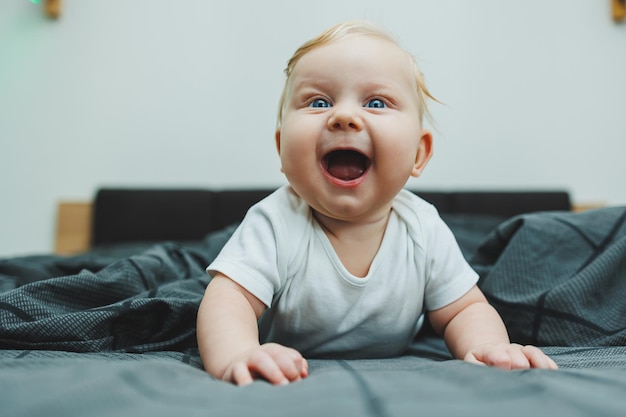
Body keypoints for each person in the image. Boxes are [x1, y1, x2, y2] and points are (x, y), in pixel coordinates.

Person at [196, 20, 558, 386]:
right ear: (282, 150)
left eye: (376, 102)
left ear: (419, 152)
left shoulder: (423, 227)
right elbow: (229, 299)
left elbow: (464, 309)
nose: (344, 117)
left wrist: (487, 347)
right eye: (318, 102)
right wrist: (238, 352)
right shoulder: (275, 221)